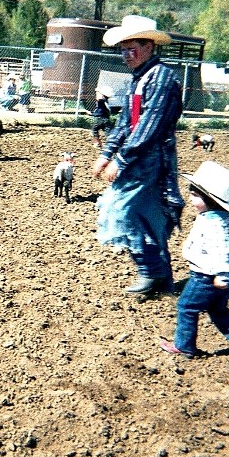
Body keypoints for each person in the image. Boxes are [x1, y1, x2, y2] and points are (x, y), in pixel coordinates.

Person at [92, 15, 184, 296]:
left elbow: (149, 125)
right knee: (147, 216)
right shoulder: (141, 77)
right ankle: (160, 278)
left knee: (120, 210)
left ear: (148, 46)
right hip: (142, 157)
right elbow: (125, 123)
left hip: (152, 160)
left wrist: (121, 159)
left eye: (131, 48)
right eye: (122, 49)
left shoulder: (163, 79)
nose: (125, 55)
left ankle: (151, 272)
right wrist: (107, 152)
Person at [160, 161, 229, 365]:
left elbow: (227, 251)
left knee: (186, 306)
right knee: (218, 311)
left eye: (195, 194)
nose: (190, 197)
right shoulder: (211, 217)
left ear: (210, 200)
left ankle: (184, 346)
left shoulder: (214, 224)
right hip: (213, 276)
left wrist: (223, 276)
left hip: (206, 277)